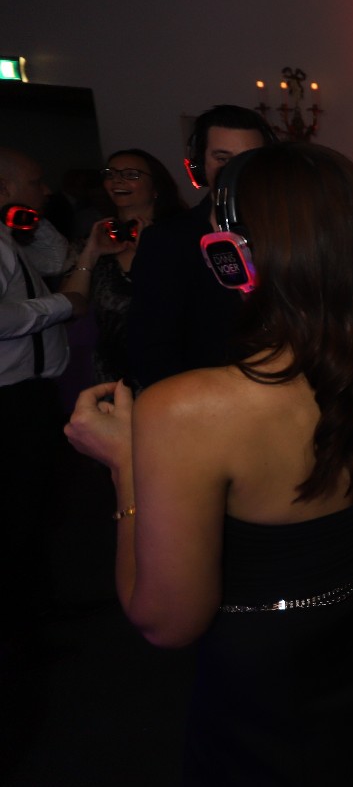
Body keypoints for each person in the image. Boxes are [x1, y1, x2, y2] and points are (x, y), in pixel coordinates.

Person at [63, 143, 353, 787]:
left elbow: (165, 622)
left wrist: (126, 464)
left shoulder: (185, 409)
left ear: (232, 256)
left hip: (275, 692)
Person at [1, 149, 92, 650]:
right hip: (10, 399)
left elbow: (57, 260)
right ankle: (24, 625)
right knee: (21, 509)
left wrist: (27, 219)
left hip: (28, 394)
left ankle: (36, 607)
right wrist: (61, 305)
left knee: (35, 506)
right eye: (35, 182)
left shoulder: (10, 234)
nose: (48, 190)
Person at [127, 104, 272, 390]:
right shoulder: (167, 239)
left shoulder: (287, 232)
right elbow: (151, 346)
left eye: (248, 158)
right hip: (205, 399)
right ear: (201, 165)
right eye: (222, 158)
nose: (235, 170)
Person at [57, 149, 186, 383]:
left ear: (156, 187)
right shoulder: (89, 243)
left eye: (131, 174)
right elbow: (70, 309)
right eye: (111, 173)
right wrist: (90, 254)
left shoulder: (181, 238)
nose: (117, 180)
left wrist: (151, 254)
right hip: (113, 375)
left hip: (174, 368)